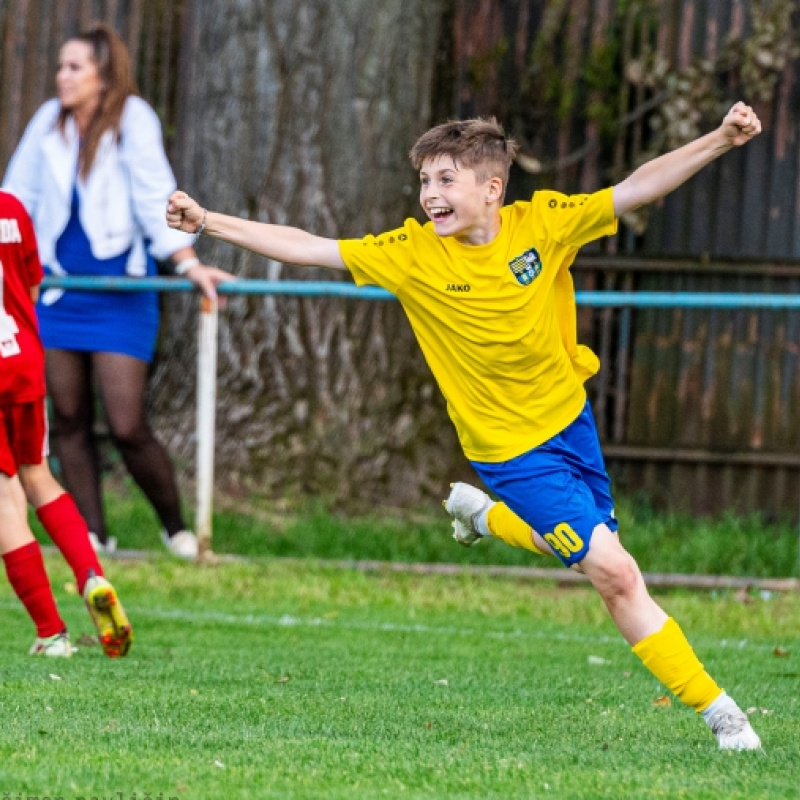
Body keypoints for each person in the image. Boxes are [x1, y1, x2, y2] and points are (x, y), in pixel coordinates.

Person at [166, 102, 763, 750]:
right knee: (615, 572)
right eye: (424, 181)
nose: (429, 195)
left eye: (444, 180)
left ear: (491, 189)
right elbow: (311, 248)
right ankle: (722, 714)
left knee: (590, 554)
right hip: (509, 451)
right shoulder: (413, 254)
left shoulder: (545, 224)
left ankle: (484, 518)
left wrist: (720, 141)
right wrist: (208, 222)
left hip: (571, 421)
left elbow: (637, 186)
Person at [2, 24, 231, 559]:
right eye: (60, 66)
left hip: (120, 292)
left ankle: (177, 530)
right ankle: (92, 535)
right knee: (69, 419)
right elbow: (17, 197)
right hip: (58, 292)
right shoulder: (47, 123)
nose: (63, 76)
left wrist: (187, 263)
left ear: (104, 74)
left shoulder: (133, 118)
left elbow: (156, 196)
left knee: (127, 423)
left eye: (74, 66)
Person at [1, 188, 132, 658]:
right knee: (38, 475)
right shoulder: (12, 208)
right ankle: (91, 575)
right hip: (21, 362)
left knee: (4, 501)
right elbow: (32, 287)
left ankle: (51, 632)